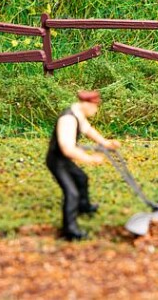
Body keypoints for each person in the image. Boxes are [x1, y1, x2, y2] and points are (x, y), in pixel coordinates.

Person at [45, 90, 121, 240]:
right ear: (86, 104)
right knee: (71, 193)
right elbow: (67, 149)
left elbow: (88, 130)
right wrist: (90, 159)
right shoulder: (68, 119)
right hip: (56, 161)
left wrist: (105, 143)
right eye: (94, 106)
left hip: (63, 159)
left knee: (81, 178)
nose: (96, 110)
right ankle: (70, 231)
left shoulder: (78, 113)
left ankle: (84, 207)